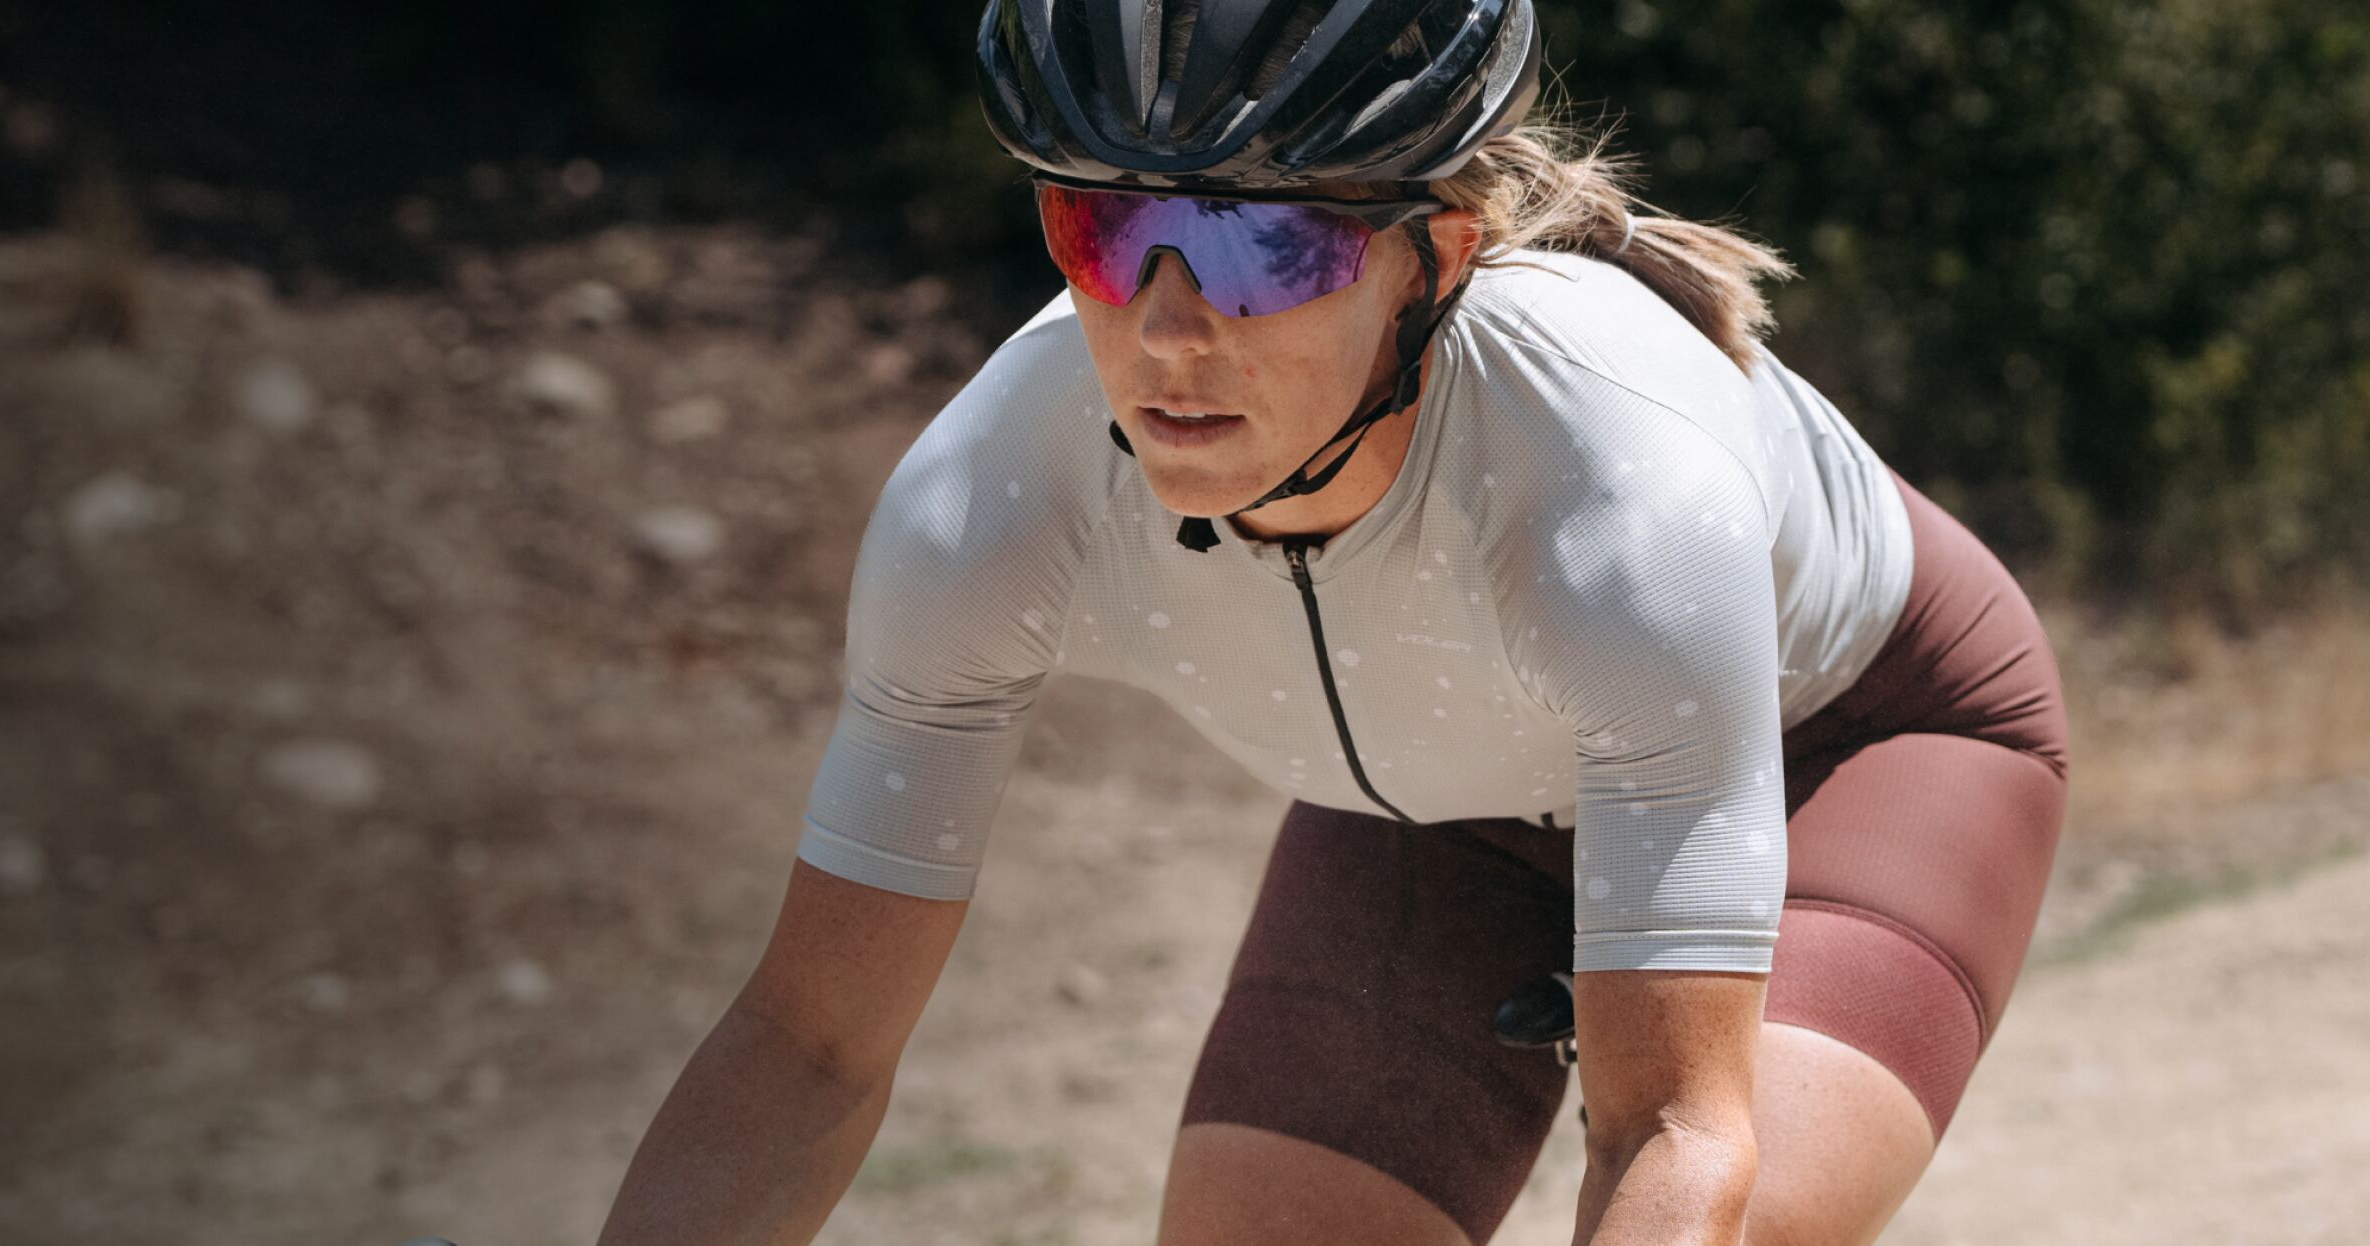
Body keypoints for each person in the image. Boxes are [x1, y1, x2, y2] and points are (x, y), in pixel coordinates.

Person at [598, 0, 2068, 1242]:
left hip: (1858, 745)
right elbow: (806, 1047)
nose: (1172, 330)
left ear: (1435, 255)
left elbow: (1672, 1132)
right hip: (1447, 805)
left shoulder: (1613, 497)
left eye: (1265, 251)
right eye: (1103, 230)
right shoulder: (991, 496)